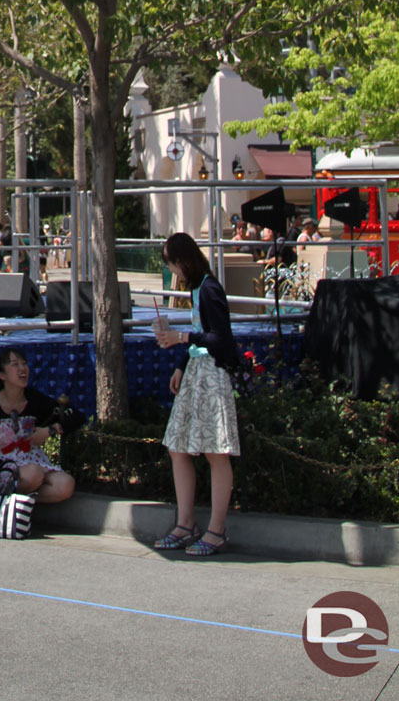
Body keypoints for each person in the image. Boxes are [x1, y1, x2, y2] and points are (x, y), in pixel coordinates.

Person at [152, 231, 240, 556]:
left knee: (217, 453)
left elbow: (223, 340)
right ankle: (185, 523)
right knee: (178, 448)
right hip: (196, 374)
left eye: (173, 266)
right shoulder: (200, 290)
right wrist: (180, 361)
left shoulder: (210, 289)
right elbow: (203, 335)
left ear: (184, 261)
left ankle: (216, 530)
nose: (174, 273)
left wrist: (182, 338)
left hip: (212, 377)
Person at [0, 345, 75, 503]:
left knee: (65, 484)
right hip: (2, 465)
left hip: (32, 459)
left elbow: (73, 416)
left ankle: (20, 505)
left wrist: (49, 431)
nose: (22, 368)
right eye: (15, 364)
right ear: (2, 375)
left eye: (24, 363)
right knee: (33, 474)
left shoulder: (35, 400)